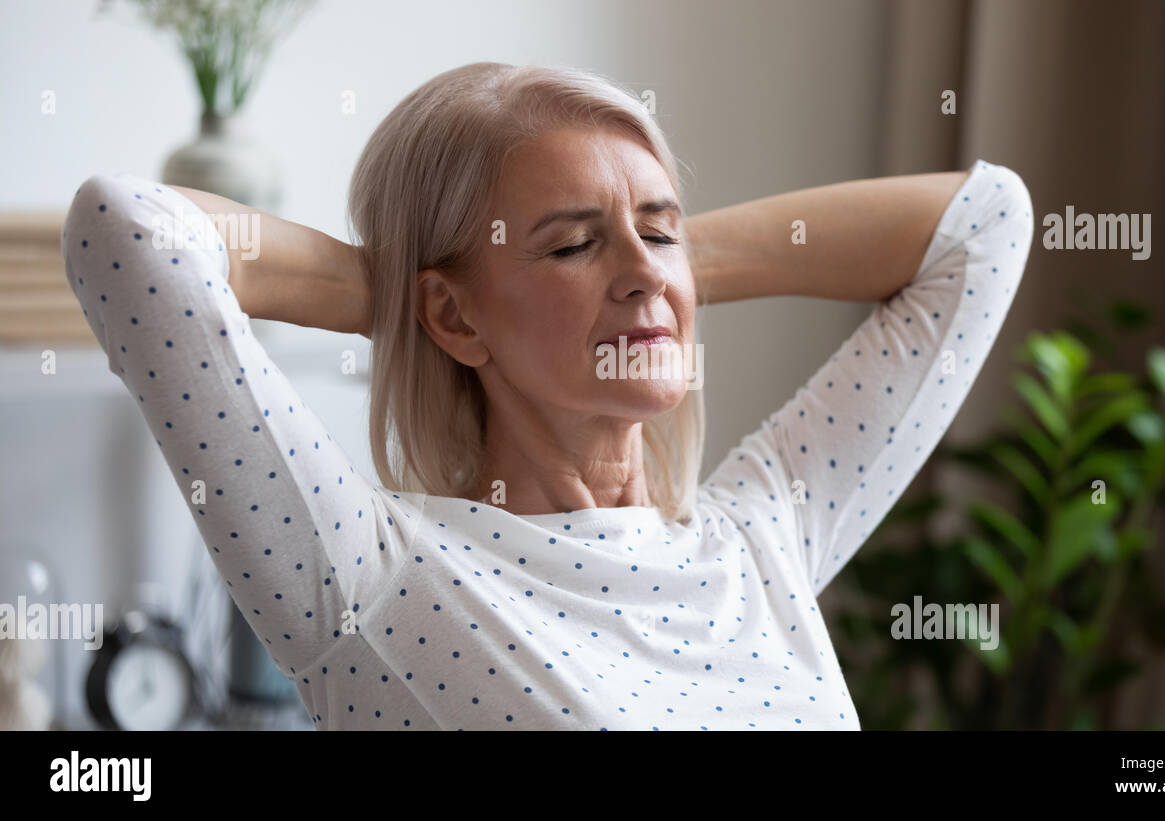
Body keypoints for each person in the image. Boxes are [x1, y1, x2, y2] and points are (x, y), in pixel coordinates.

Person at [61, 62, 1033, 730]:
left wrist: (656, 265)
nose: (645, 272)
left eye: (661, 231)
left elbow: (985, 224)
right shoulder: (370, 577)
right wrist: (403, 296)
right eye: (570, 243)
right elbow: (130, 231)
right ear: (453, 316)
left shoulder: (760, 536)